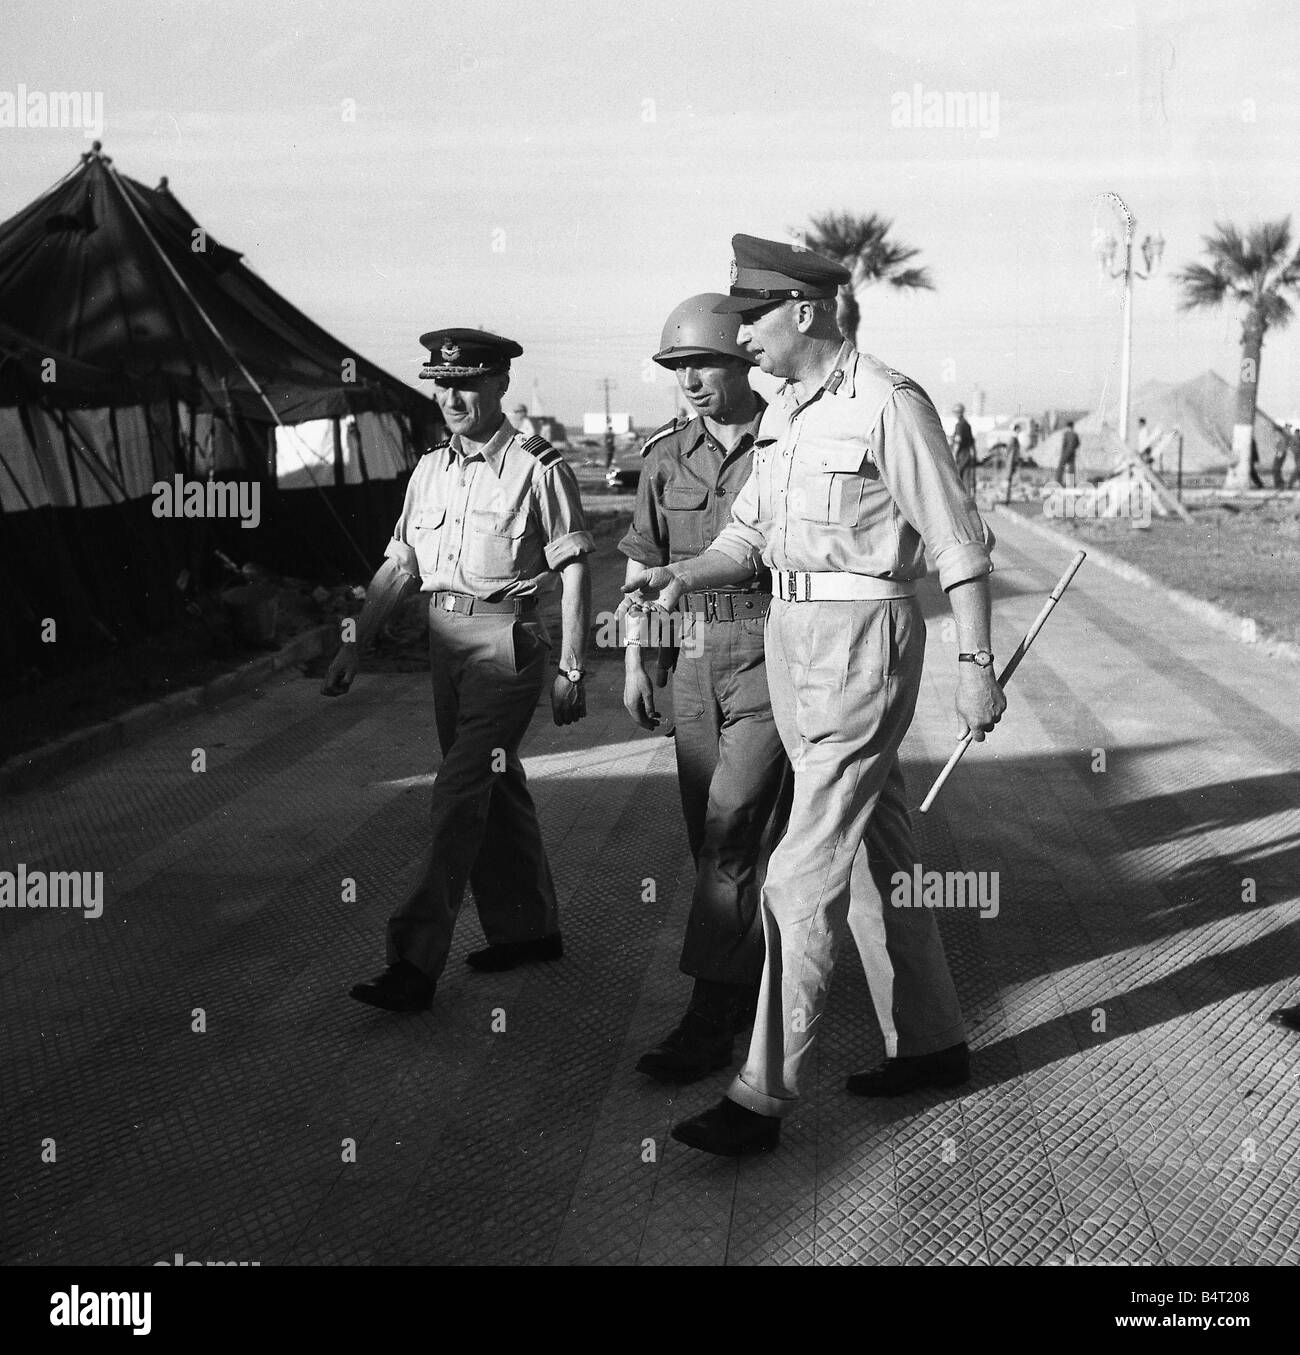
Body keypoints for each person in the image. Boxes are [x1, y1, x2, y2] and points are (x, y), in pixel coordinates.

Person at [625, 235, 1006, 1155]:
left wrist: (976, 663)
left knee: (799, 869)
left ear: (804, 311)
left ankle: (760, 1093)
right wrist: (682, 575)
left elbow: (958, 542)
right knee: (881, 851)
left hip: (859, 643)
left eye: (751, 315)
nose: (741, 332)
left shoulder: (885, 402)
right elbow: (747, 538)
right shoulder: (790, 415)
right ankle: (933, 1042)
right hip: (790, 639)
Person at [324, 328, 594, 1012]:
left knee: (459, 791)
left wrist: (570, 665)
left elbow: (573, 566)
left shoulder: (540, 466)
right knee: (497, 790)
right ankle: (529, 931)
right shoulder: (429, 470)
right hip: (444, 645)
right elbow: (400, 565)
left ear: (501, 385)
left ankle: (413, 962)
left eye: (466, 383)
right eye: (441, 383)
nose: (451, 396)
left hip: (505, 643)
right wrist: (355, 643)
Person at [618, 294, 792, 1082]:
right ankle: (750, 978)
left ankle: (707, 1022)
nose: (688, 381)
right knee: (709, 844)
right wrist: (635, 661)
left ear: (744, 360)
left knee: (732, 829)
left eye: (703, 365)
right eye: (677, 367)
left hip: (768, 651)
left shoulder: (788, 440)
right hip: (689, 655)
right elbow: (640, 565)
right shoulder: (664, 456)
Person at [950, 403, 976, 493]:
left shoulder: (959, 425)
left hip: (960, 456)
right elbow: (971, 441)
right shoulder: (967, 425)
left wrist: (954, 455)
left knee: (957, 480)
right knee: (966, 481)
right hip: (967, 455)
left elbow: (958, 441)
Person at [1056, 420, 1081, 486]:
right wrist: (1073, 448)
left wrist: (1063, 452)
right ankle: (1070, 483)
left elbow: (1064, 444)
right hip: (1072, 452)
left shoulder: (1066, 434)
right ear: (1073, 426)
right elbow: (1078, 444)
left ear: (1067, 426)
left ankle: (1058, 482)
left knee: (1061, 466)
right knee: (1071, 468)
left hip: (1066, 452)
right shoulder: (1075, 434)